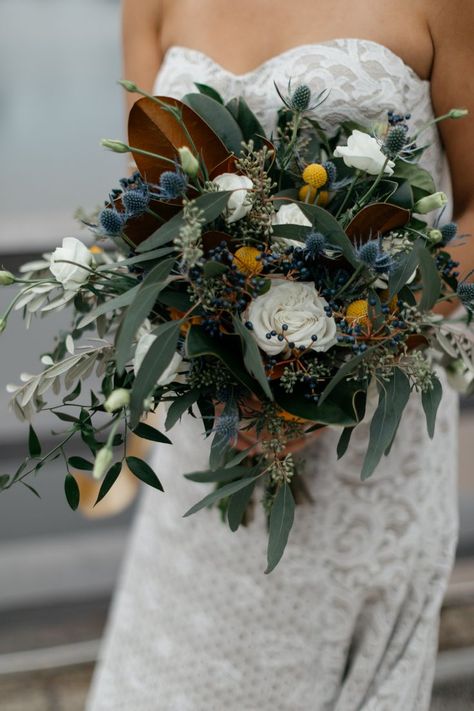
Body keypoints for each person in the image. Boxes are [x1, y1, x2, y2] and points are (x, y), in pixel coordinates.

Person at [87, 1, 474, 709]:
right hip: (208, 448)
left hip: (366, 460)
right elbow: (155, 219)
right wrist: (223, 358)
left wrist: (338, 363)